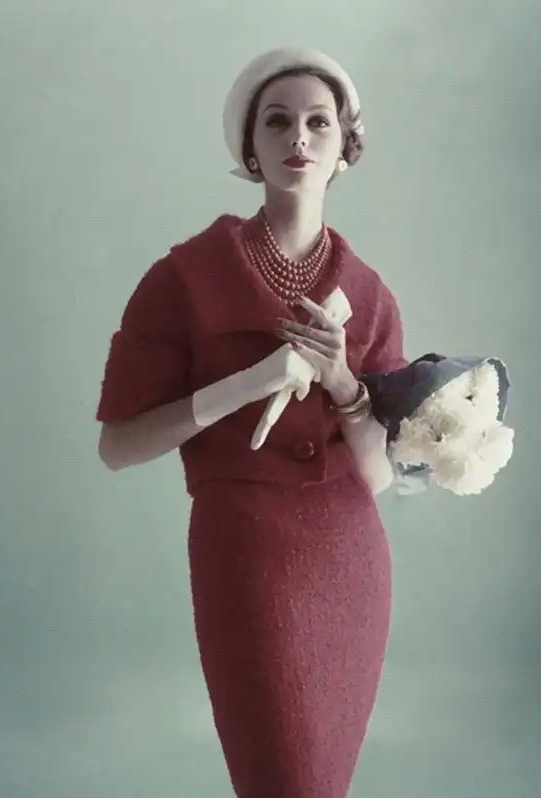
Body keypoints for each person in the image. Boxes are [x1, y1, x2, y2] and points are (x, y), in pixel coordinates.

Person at [95, 48, 409, 798]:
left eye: (318, 123)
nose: (298, 137)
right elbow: (117, 446)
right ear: (250, 148)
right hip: (246, 555)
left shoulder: (370, 296)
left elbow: (379, 475)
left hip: (351, 559)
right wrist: (246, 384)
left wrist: (342, 382)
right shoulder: (184, 279)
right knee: (282, 774)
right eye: (277, 122)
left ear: (344, 148)